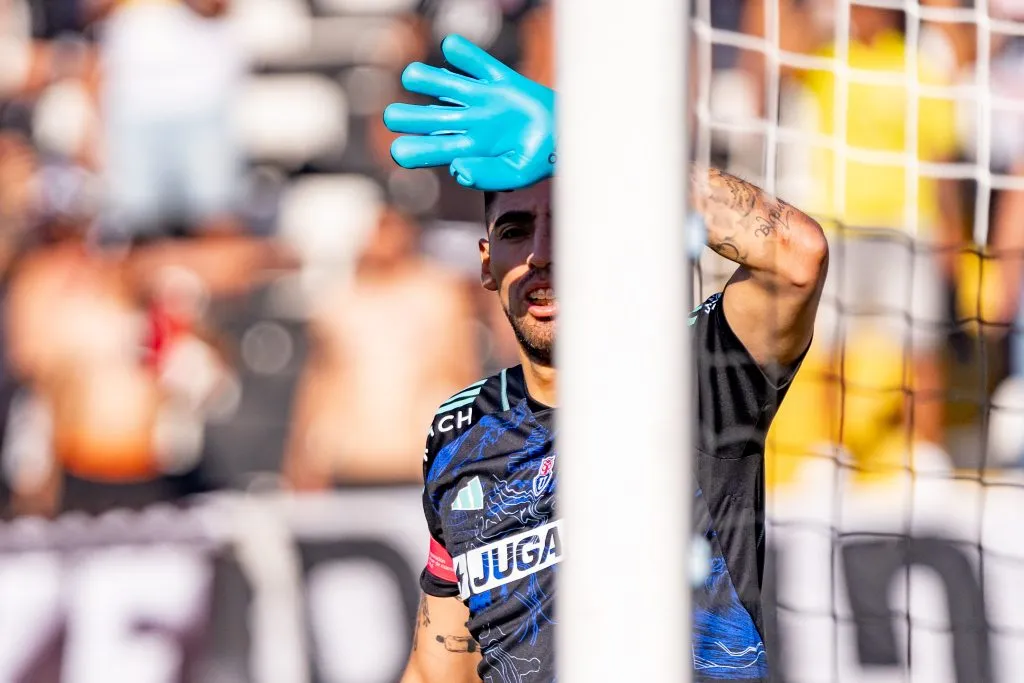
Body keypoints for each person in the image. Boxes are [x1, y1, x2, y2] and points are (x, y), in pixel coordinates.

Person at [384, 36, 828, 682]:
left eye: (570, 220)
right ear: (486, 263)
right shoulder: (459, 433)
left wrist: (590, 145)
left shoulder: (693, 372)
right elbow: (435, 668)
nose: (542, 253)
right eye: (515, 231)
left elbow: (796, 256)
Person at [283, 204, 480, 486]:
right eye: (377, 227)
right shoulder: (338, 302)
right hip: (349, 460)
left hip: (421, 461)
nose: (383, 237)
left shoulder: (440, 296)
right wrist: (300, 460)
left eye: (390, 226)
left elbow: (463, 375)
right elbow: (318, 382)